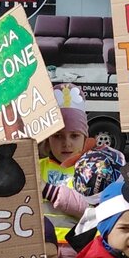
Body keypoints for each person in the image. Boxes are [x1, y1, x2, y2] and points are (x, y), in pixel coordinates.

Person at [39, 86, 91, 244]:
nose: (66, 143)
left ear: (84, 137)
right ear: (48, 138)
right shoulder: (36, 167)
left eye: (74, 135)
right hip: (44, 252)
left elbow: (93, 210)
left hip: (77, 252)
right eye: (58, 136)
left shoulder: (94, 169)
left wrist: (45, 189)